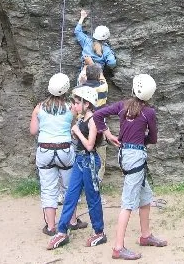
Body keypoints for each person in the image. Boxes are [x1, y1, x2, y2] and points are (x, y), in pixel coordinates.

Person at [94, 74, 167, 260]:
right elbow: (153, 138)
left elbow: (98, 115)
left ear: (134, 89)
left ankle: (145, 235)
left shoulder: (122, 105)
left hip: (125, 154)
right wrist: (142, 139)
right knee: (128, 203)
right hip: (136, 157)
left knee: (145, 196)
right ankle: (118, 247)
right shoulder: (148, 112)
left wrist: (108, 134)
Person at [48, 86, 107, 250]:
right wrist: (76, 129)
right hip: (80, 160)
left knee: (92, 197)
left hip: (89, 161)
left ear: (87, 104)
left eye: (77, 103)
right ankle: (62, 231)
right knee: (70, 196)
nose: (74, 105)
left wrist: (76, 131)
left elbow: (90, 146)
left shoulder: (93, 120)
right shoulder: (82, 118)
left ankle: (99, 232)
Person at [30, 72, 87, 236]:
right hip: (65, 150)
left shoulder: (39, 107)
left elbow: (33, 131)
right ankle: (72, 221)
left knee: (48, 189)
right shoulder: (71, 108)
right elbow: (74, 127)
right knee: (70, 187)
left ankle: (50, 227)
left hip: (45, 150)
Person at [80, 63, 109, 183]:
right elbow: (102, 78)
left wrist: (86, 65)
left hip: (82, 126)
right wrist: (92, 62)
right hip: (99, 126)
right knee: (100, 156)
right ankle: (97, 182)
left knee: (81, 154)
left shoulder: (79, 89)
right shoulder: (103, 88)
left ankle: (82, 181)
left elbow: (81, 77)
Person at [75, 9, 116, 82]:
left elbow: (77, 31)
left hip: (84, 74)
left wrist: (82, 17)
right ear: (106, 38)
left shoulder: (87, 42)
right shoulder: (106, 50)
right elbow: (112, 63)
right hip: (97, 76)